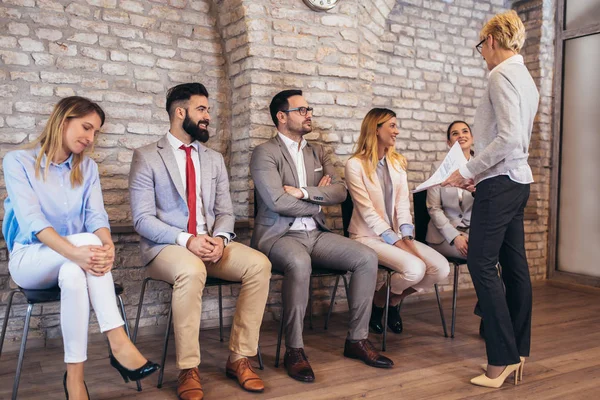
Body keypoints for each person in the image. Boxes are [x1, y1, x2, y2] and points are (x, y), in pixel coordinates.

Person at [2, 96, 160, 399]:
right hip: (30, 259)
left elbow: (95, 216)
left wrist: (107, 244)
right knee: (87, 246)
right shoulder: (17, 162)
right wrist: (81, 249)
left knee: (75, 275)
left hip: (76, 262)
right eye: (86, 127)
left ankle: (74, 379)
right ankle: (118, 342)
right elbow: (32, 221)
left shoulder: (86, 168)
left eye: (95, 132)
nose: (89, 138)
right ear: (63, 121)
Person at [129, 83, 271, 399]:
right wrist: (187, 239)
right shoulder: (147, 157)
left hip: (210, 244)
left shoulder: (213, 159)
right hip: (167, 248)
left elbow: (224, 211)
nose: (208, 116)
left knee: (259, 264)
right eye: (202, 109)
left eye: (207, 110)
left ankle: (240, 358)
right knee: (192, 270)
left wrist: (220, 239)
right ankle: (188, 368)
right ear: (181, 112)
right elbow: (142, 220)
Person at [251, 90, 393, 383]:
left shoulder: (318, 152)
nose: (309, 114)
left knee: (366, 257)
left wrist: (303, 192)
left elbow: (340, 192)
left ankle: (357, 340)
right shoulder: (264, 153)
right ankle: (295, 349)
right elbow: (276, 201)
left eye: (309, 109)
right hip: (279, 236)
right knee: (299, 263)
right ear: (282, 116)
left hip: (316, 232)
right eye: (302, 110)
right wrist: (319, 196)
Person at [443, 10, 539, 388]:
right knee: (515, 269)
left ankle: (500, 359)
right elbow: (514, 141)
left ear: (492, 41)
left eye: (481, 45)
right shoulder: (526, 77)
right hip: (516, 181)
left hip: (501, 184)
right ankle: (519, 351)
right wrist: (480, 175)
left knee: (482, 265)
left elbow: (509, 138)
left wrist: (468, 170)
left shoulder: (499, 74)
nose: (481, 52)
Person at [345, 108, 450, 336]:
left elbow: (403, 205)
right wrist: (397, 243)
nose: (397, 131)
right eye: (392, 125)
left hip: (396, 235)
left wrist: (407, 237)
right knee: (415, 268)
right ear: (376, 128)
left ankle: (387, 302)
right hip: (367, 237)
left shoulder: (397, 163)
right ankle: (381, 303)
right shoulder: (355, 165)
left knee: (440, 269)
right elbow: (367, 212)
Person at [426, 121, 474, 260]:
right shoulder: (438, 168)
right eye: (455, 133)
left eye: (465, 131)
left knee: (499, 251)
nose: (461, 136)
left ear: (472, 137)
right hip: (443, 237)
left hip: (474, 233)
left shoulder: (482, 168)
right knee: (480, 256)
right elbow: (434, 208)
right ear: (449, 142)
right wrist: (455, 237)